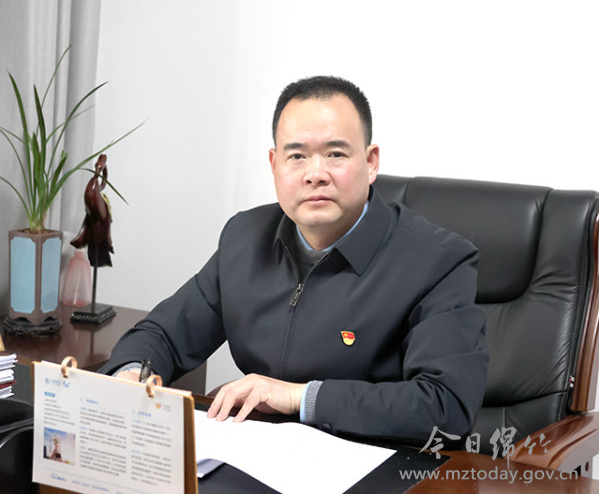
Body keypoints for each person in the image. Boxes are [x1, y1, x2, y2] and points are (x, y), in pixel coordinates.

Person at [101, 76, 488, 445]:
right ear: (274, 164)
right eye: (297, 156)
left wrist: (298, 397)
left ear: (371, 162)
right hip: (255, 450)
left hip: (372, 462)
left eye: (335, 154)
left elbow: (445, 406)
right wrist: (132, 375)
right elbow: (165, 334)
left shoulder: (437, 261)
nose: (315, 174)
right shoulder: (244, 237)